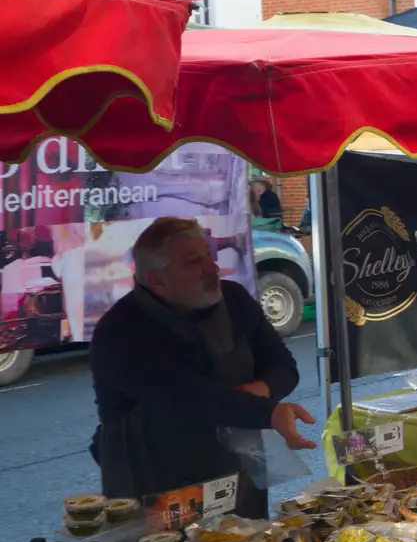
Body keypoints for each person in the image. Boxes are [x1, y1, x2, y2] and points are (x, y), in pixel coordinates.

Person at [89, 217, 316, 518]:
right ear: (158, 280)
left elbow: (283, 365)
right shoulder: (119, 332)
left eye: (209, 255)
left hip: (233, 469)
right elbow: (186, 395)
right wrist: (267, 412)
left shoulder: (233, 300)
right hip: (154, 484)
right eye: (195, 262)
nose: (213, 268)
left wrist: (260, 390)